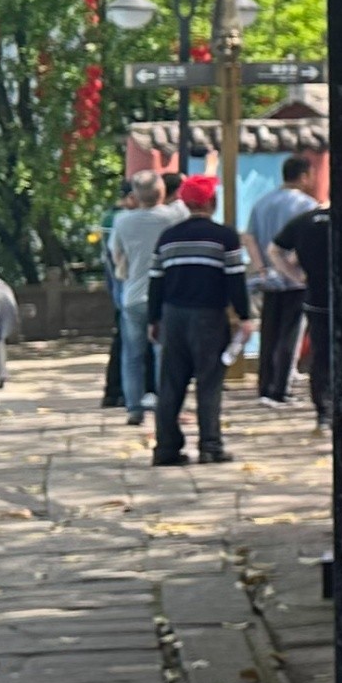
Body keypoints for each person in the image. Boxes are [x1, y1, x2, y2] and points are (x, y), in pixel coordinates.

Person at [144, 173, 252, 467]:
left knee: (171, 384)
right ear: (212, 202)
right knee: (209, 381)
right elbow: (235, 280)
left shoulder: (167, 237)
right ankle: (210, 446)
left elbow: (155, 282)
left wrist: (154, 319)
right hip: (208, 317)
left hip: (172, 316)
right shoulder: (225, 237)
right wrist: (245, 316)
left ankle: (166, 448)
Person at [105, 176, 182, 429]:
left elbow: (116, 255)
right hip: (166, 294)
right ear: (162, 191)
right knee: (163, 353)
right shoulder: (173, 217)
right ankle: (165, 404)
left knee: (132, 355)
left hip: (133, 294)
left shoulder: (122, 221)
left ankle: (134, 408)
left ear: (135, 195)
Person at [250, 151, 325, 405]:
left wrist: (262, 268)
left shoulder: (262, 203)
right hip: (295, 279)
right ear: (303, 176)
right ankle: (281, 388)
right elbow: (305, 243)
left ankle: (264, 385)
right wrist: (294, 269)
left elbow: (250, 238)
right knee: (290, 335)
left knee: (268, 333)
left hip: (268, 278)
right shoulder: (307, 207)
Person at [276, 172, 338, 425]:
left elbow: (274, 249)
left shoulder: (305, 221)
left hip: (316, 295)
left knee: (320, 353)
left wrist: (296, 276)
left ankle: (324, 409)